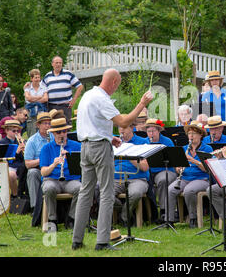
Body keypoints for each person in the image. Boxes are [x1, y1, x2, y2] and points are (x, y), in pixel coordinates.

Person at [72, 69, 153, 251]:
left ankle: (76, 240)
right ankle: (102, 242)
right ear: (114, 82)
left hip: (85, 147)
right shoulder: (102, 98)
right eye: (118, 84)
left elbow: (93, 123)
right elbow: (123, 122)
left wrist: (109, 137)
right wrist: (141, 104)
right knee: (107, 193)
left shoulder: (87, 95)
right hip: (100, 149)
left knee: (86, 192)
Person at [167, 121, 213, 228]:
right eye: (189, 134)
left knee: (189, 190)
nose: (191, 136)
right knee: (170, 190)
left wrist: (193, 160)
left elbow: (207, 169)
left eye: (194, 134)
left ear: (200, 135)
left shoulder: (207, 149)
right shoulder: (184, 149)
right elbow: (177, 167)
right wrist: (178, 169)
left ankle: (193, 218)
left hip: (202, 179)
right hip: (185, 178)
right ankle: (169, 220)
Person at [40, 118, 81, 230]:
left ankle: (71, 218)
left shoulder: (77, 146)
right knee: (49, 188)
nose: (62, 134)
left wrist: (71, 158)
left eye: (64, 131)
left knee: (81, 188)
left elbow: (83, 167)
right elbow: (43, 172)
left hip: (71, 179)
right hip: (52, 179)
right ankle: (52, 220)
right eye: (58, 132)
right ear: (53, 133)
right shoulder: (46, 148)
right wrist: (54, 164)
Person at [114, 124, 149, 226]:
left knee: (135, 193)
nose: (121, 130)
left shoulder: (143, 142)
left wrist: (128, 153)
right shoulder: (115, 142)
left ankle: (124, 217)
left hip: (138, 178)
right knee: (103, 191)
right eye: (120, 127)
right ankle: (123, 210)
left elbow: (144, 167)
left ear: (132, 128)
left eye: (124, 128)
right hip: (117, 178)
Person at [144, 118, 176, 223]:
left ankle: (163, 211)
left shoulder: (167, 141)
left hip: (165, 169)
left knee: (163, 180)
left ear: (158, 131)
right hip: (148, 171)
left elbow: (173, 159)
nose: (151, 134)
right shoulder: (144, 142)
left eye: (153, 131)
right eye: (149, 131)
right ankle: (149, 214)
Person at [24, 112, 53, 212]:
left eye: (49, 123)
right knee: (32, 173)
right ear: (38, 125)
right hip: (39, 169)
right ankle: (35, 208)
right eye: (45, 123)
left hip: (54, 168)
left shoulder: (54, 137)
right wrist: (43, 159)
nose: (47, 126)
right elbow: (27, 164)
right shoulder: (32, 141)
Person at [43, 56, 84, 124]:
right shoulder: (48, 76)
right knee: (53, 126)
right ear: (52, 64)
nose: (58, 64)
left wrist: (74, 100)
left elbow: (80, 86)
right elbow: (41, 88)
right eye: (56, 63)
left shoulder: (68, 74)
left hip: (65, 106)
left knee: (66, 126)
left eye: (60, 63)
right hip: (52, 107)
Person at [0, 119, 26, 199]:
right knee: (11, 175)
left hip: (21, 165)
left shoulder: (21, 141)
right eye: (14, 131)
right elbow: (5, 159)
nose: (16, 133)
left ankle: (25, 195)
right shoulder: (3, 143)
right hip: (9, 165)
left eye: (18, 131)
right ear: (6, 130)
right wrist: (16, 152)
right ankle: (15, 195)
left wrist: (25, 149)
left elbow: (25, 158)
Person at [24, 69, 48, 137]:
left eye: (38, 77)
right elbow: (28, 98)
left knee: (42, 130)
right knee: (32, 130)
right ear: (31, 78)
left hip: (41, 111)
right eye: (35, 78)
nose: (37, 79)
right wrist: (40, 97)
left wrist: (33, 98)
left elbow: (45, 98)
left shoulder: (43, 86)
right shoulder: (28, 87)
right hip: (31, 111)